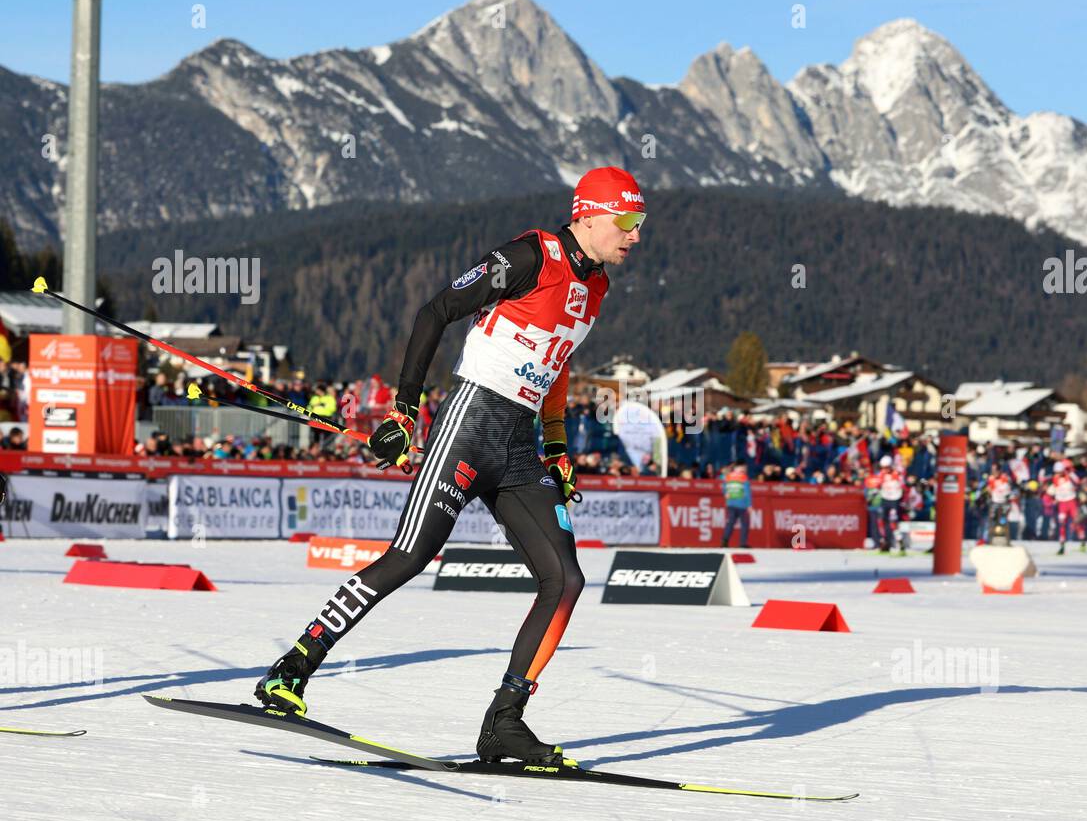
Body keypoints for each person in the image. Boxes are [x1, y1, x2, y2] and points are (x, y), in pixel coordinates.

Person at [253, 167, 646, 766]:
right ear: (590, 214)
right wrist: (404, 411)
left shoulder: (597, 286)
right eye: (627, 222)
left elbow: (559, 359)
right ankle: (293, 667)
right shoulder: (530, 257)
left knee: (565, 580)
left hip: (518, 443)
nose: (635, 235)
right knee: (409, 557)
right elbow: (433, 312)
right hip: (470, 423)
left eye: (639, 224)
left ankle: (503, 724)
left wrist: (559, 445)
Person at [720, 459, 751, 548]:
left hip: (731, 503)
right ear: (740, 467)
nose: (745, 469)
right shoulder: (743, 477)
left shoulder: (728, 476)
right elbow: (747, 492)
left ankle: (724, 540)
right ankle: (742, 543)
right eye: (744, 467)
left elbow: (724, 489)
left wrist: (726, 494)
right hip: (742, 504)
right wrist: (749, 505)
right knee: (745, 524)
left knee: (730, 523)